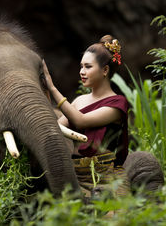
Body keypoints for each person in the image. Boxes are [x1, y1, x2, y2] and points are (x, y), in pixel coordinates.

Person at [43, 35, 129, 197]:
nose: (82, 72)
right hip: (75, 175)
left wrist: (53, 88)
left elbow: (80, 121)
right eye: (81, 66)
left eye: (88, 67)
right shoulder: (79, 101)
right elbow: (55, 128)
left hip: (107, 177)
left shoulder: (118, 103)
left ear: (105, 70)